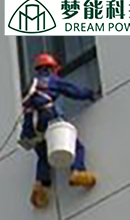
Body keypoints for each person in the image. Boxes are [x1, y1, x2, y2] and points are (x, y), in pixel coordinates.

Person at [19, 52, 98, 209]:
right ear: (51, 68)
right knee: (76, 146)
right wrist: (91, 94)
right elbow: (72, 90)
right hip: (48, 117)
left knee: (43, 155)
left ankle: (40, 186)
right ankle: (77, 171)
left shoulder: (32, 85)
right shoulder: (50, 80)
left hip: (31, 126)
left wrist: (26, 135)